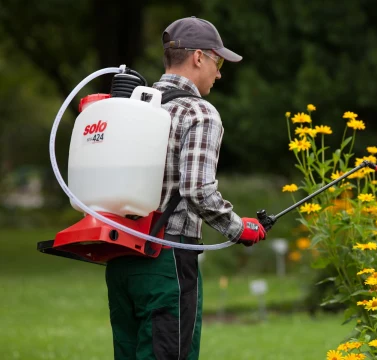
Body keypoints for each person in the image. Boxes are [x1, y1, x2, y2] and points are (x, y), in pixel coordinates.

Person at [104, 17, 267, 360]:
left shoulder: (131, 107)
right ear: (198, 58)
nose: (219, 73)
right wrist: (240, 229)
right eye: (218, 62)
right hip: (167, 258)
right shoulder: (199, 112)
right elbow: (197, 190)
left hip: (120, 258)